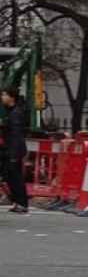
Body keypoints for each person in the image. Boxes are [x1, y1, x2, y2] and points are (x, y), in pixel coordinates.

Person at [1, 85, 30, 214]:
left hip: (13, 151)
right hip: (8, 149)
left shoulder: (16, 113)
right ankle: (17, 201)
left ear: (12, 98)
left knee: (15, 177)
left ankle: (22, 203)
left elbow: (17, 135)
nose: (2, 97)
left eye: (4, 95)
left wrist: (14, 154)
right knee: (8, 176)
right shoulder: (10, 112)